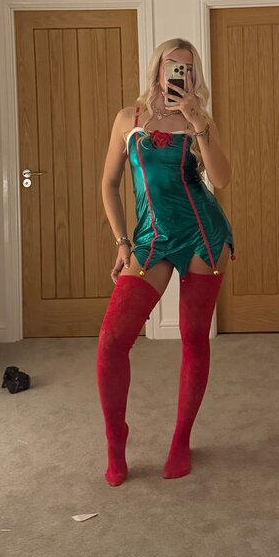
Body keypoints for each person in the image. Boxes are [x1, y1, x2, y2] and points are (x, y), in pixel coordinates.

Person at [96, 38, 236, 485]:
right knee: (112, 341)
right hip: (151, 237)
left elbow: (221, 180)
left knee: (194, 337)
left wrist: (198, 122)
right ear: (157, 69)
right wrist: (122, 242)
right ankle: (116, 441)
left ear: (195, 75)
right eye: (173, 65)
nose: (180, 73)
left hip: (202, 236)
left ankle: (181, 439)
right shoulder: (129, 119)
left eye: (188, 68)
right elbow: (109, 184)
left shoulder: (200, 119)